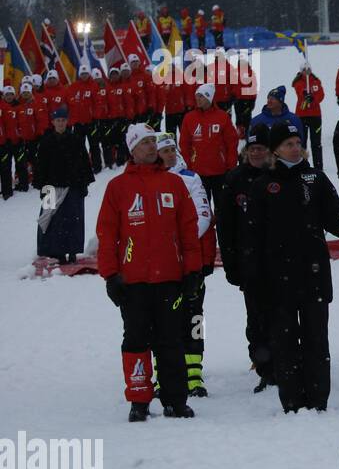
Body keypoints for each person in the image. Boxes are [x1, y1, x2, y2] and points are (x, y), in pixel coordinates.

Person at [244, 120, 339, 414]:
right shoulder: (261, 186)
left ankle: (317, 399)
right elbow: (252, 238)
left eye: (298, 143)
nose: (295, 148)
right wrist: (253, 278)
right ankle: (293, 402)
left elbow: (335, 220)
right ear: (275, 150)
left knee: (316, 341)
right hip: (276, 280)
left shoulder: (316, 178)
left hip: (313, 275)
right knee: (284, 343)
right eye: (288, 144)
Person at [96, 124, 202, 422]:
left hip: (169, 278)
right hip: (134, 282)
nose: (152, 147)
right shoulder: (117, 187)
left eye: (153, 141)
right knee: (136, 340)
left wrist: (192, 270)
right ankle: (139, 400)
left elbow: (188, 231)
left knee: (170, 340)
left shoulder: (174, 184)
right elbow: (107, 233)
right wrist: (110, 275)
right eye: (144, 143)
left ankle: (175, 399)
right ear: (132, 149)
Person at [156, 131, 217, 396]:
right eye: (163, 150)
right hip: (160, 265)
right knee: (160, 320)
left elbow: (203, 215)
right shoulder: (148, 181)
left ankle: (194, 373)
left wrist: (180, 243)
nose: (169, 154)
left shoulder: (191, 178)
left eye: (172, 149)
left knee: (194, 316)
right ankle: (163, 375)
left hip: (190, 262)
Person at [216, 123, 276, 393]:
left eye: (260, 149)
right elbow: (225, 226)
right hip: (250, 262)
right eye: (251, 149)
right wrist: (231, 264)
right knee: (257, 317)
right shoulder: (234, 179)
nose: (256, 154)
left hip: (279, 260)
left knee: (282, 315)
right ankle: (264, 367)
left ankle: (285, 363)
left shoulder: (279, 176)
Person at [34, 106, 94, 264]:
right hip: (52, 188)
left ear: (67, 121)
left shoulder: (76, 140)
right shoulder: (46, 142)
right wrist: (42, 186)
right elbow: (41, 166)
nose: (60, 123)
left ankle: (73, 251)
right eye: (57, 120)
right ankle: (56, 252)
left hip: (72, 187)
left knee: (73, 220)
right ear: (53, 122)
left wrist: (84, 185)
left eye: (63, 120)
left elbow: (84, 164)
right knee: (52, 221)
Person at [179, 82, 239, 212]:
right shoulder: (189, 118)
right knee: (202, 211)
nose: (198, 99)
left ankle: (223, 232)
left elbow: (231, 142)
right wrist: (189, 166)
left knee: (222, 209)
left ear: (209, 98)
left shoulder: (222, 117)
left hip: (220, 172)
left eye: (201, 96)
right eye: (197, 96)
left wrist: (231, 166)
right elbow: (184, 144)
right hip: (198, 173)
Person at [291, 62, 326, 167]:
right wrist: (305, 94)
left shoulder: (316, 81)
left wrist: (313, 98)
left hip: (315, 115)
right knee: (302, 142)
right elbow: (300, 91)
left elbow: (321, 95)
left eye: (308, 70)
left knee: (316, 143)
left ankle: (318, 166)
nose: (307, 72)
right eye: (304, 70)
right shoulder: (298, 82)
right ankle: (303, 164)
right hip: (302, 115)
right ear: (301, 71)